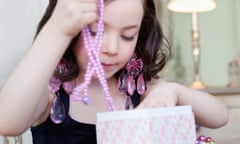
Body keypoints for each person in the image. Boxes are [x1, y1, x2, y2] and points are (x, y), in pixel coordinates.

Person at [0, 0, 228, 143]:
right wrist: (56, 30)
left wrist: (173, 90)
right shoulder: (51, 93)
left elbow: (220, 117)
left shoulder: (141, 89)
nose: (111, 48)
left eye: (128, 35)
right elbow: (7, 121)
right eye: (93, 32)